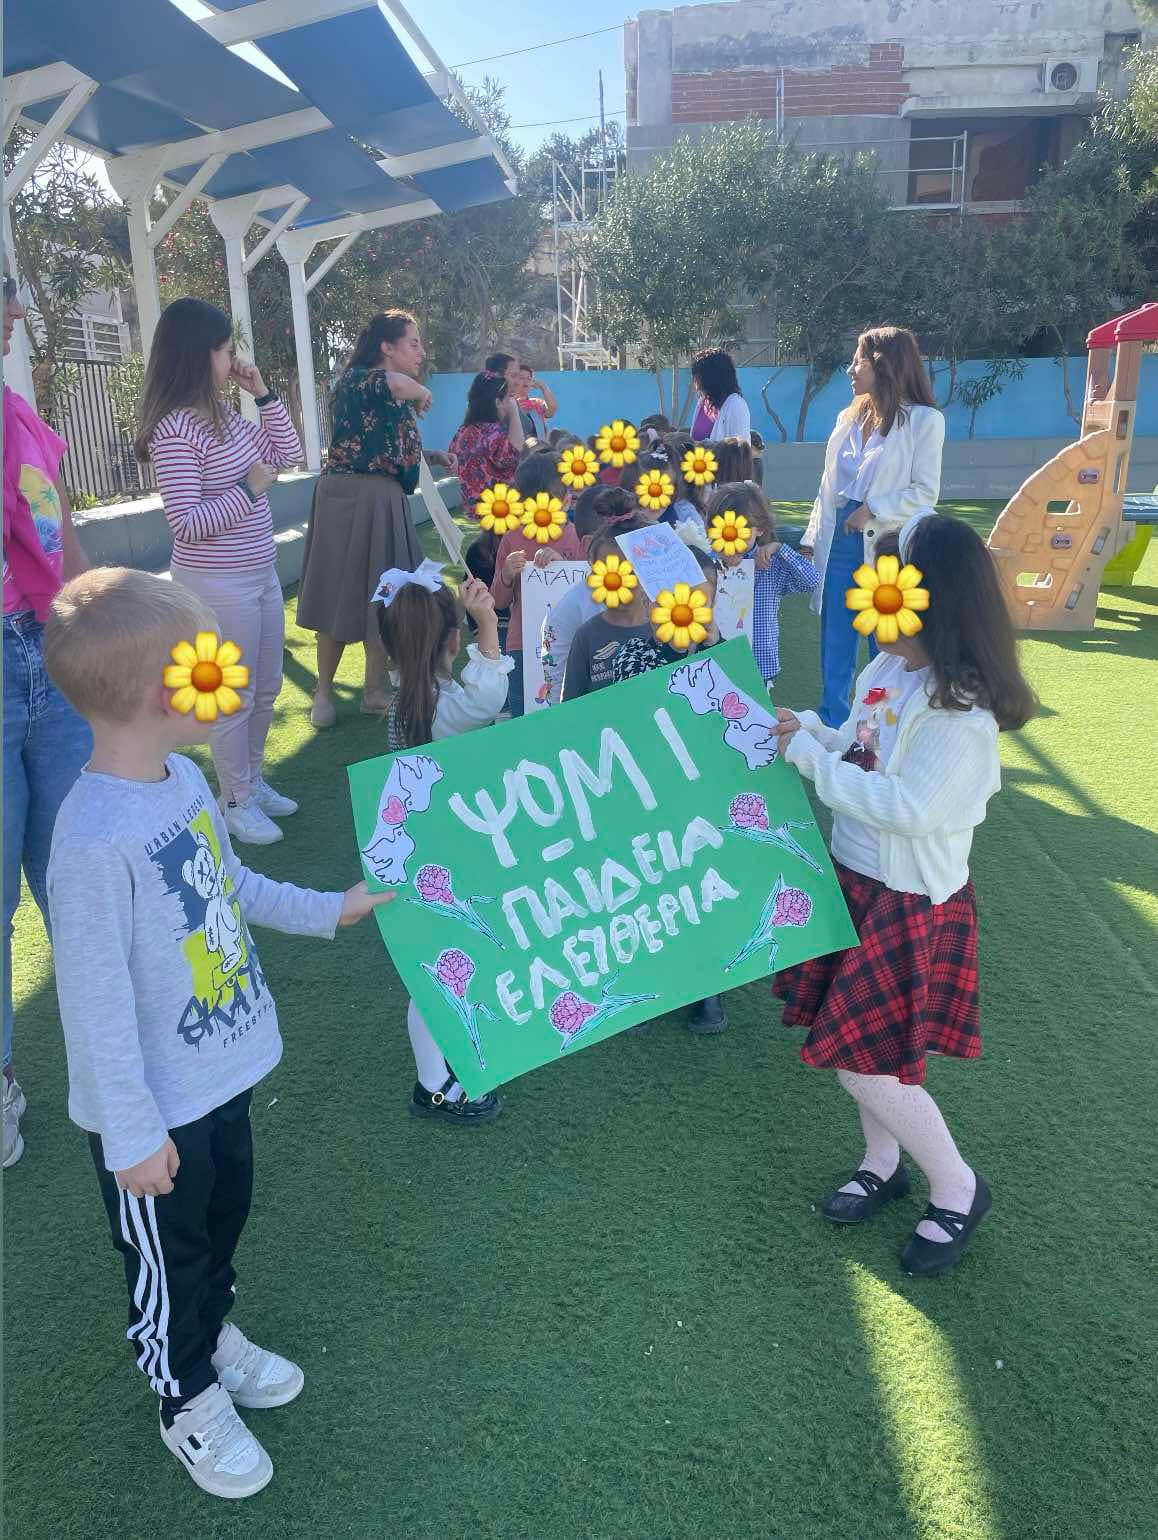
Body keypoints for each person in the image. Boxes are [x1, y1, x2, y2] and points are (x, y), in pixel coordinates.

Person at [42, 567, 393, 1499]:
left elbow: (231, 888)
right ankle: (184, 1391)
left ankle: (209, 1331)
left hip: (218, 1076)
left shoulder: (185, 785)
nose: (226, 676)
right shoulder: (90, 841)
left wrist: (331, 908)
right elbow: (93, 1005)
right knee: (167, 1256)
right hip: (152, 1114)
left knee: (219, 1219)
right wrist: (130, 1133)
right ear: (167, 692)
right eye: (210, 664)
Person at [771, 514, 1037, 1277]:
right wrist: (811, 731)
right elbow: (861, 745)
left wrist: (809, 760)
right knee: (871, 1052)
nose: (872, 597)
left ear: (934, 605)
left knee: (863, 1064)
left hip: (908, 899)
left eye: (889, 584)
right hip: (856, 879)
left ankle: (958, 1187)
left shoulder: (963, 713)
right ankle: (882, 1164)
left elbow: (910, 808)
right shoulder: (887, 670)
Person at [136, 298, 302, 847]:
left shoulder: (228, 416)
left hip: (259, 573)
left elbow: (288, 453)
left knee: (266, 686)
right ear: (197, 354)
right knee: (233, 694)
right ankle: (235, 800)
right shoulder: (175, 430)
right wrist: (248, 490)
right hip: (217, 584)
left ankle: (251, 782)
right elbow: (186, 523)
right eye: (227, 350)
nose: (234, 360)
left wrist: (264, 394)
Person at [2, 264, 92, 1169]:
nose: (15, 309)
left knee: (79, 870)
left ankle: (111, 1048)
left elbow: (61, 533)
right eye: (2, 291)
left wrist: (98, 617)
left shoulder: (18, 415)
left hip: (49, 646)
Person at [376, 569, 512, 1122]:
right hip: (446, 857)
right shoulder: (443, 706)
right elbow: (490, 695)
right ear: (453, 639)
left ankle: (444, 1068)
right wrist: (490, 628)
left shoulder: (413, 699)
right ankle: (433, 1085)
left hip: (425, 851)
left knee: (444, 963)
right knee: (437, 971)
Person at [296, 310, 434, 730]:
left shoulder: (389, 392)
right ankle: (323, 692)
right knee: (337, 593)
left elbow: (385, 444)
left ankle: (374, 689)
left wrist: (430, 457)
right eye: (413, 343)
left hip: (381, 495)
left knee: (384, 592)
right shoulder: (359, 379)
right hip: (351, 496)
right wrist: (421, 391)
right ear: (386, 347)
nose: (421, 352)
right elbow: (393, 384)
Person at [802, 325, 945, 728]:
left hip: (886, 544)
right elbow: (827, 487)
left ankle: (878, 727)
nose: (851, 370)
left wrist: (873, 509)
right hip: (839, 541)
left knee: (884, 642)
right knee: (835, 639)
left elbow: (925, 492)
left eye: (858, 361)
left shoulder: (924, 420)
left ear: (884, 365)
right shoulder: (848, 418)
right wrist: (812, 537)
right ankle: (832, 724)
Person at [489, 452, 583, 717]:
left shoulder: (577, 536)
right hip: (522, 644)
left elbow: (587, 589)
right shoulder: (511, 540)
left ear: (566, 502)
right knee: (525, 715)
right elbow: (499, 601)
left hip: (569, 642)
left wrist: (563, 565)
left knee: (568, 713)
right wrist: (506, 574)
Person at [703, 481, 819, 686]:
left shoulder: (771, 564)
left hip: (759, 665)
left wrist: (779, 549)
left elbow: (812, 581)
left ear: (761, 528)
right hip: (715, 662)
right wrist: (716, 561)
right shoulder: (705, 562)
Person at [539, 486, 637, 706]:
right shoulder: (568, 610)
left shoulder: (651, 595)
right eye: (621, 555)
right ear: (589, 547)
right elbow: (555, 685)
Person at [449, 369, 525, 509]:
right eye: (508, 398)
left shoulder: (461, 432)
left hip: (472, 510)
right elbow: (516, 455)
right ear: (498, 402)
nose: (509, 402)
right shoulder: (493, 434)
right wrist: (514, 411)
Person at [691, 349, 751, 443]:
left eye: (698, 376)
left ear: (711, 377)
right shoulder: (702, 402)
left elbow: (741, 448)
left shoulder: (736, 405)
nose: (695, 381)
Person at [514, 362, 557, 437]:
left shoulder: (536, 403)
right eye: (521, 378)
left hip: (539, 443)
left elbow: (551, 411)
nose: (526, 381)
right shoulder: (508, 404)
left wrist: (543, 388)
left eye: (529, 378)